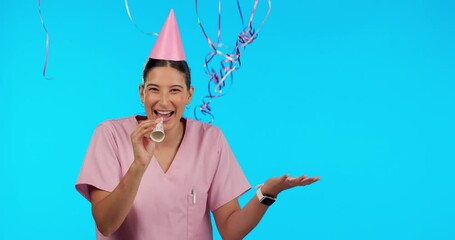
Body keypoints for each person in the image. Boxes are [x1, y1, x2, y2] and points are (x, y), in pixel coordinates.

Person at [75, 9, 319, 240]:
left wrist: (267, 193)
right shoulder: (110, 135)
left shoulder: (209, 139)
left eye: (175, 90)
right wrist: (138, 165)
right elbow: (106, 225)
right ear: (141, 93)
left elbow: (231, 231)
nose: (163, 101)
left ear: (189, 95)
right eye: (154, 89)